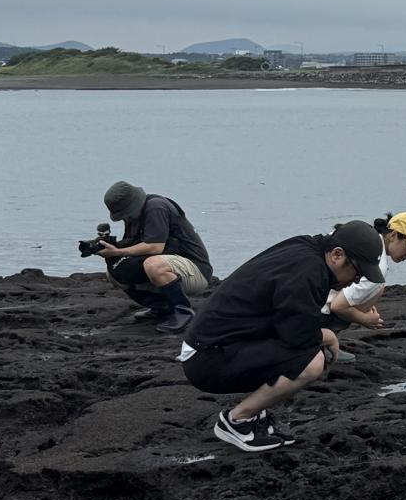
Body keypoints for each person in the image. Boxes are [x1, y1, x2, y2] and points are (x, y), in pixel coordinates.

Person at [179, 220, 386, 453]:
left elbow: (287, 321)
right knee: (312, 361)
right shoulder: (308, 271)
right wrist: (328, 336)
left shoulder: (305, 249)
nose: (356, 281)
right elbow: (297, 337)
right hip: (207, 359)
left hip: (211, 345)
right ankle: (236, 421)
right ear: (337, 255)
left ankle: (255, 415)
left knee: (306, 350)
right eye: (357, 273)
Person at [85, 181, 214, 334]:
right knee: (115, 273)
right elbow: (134, 246)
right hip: (172, 266)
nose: (125, 217)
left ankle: (183, 312)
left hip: (196, 270)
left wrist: (117, 252)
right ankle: (161, 308)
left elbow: (155, 247)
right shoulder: (134, 216)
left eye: (125, 213)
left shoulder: (156, 207)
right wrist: (109, 247)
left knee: (153, 264)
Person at [322, 212, 406, 361]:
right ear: (393, 235)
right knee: (378, 287)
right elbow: (338, 306)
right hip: (316, 311)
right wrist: (366, 319)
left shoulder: (357, 233)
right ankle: (325, 344)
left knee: (376, 287)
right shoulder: (377, 265)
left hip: (306, 294)